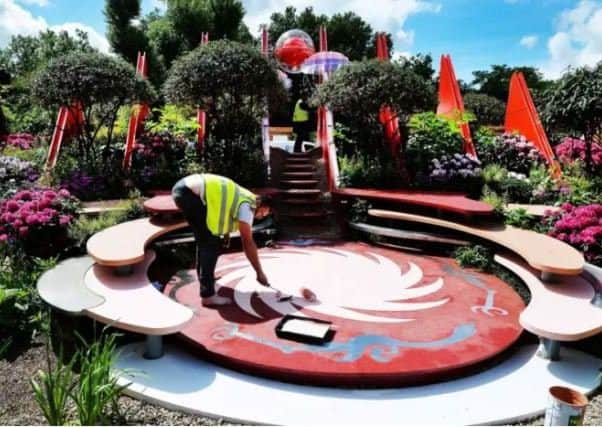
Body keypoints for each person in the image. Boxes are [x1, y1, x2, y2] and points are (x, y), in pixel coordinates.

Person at [171, 173, 270, 307]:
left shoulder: (245, 197)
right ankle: (208, 295)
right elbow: (247, 242)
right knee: (210, 244)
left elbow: (225, 209)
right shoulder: (248, 206)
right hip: (190, 193)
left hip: (184, 189)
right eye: (264, 212)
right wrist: (259, 272)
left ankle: (206, 280)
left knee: (205, 240)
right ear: (261, 204)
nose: (263, 216)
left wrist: (226, 235)